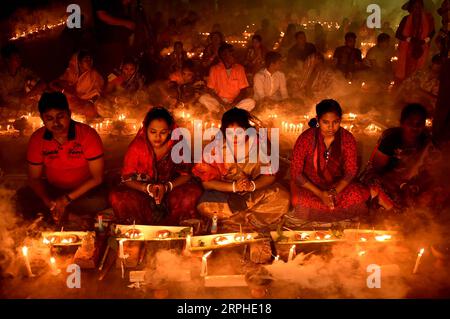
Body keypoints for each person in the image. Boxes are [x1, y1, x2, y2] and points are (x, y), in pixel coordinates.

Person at [16, 92, 107, 226]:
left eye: (60, 117)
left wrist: (66, 200)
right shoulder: (37, 138)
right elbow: (34, 178)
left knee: (100, 201)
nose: (56, 123)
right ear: (42, 119)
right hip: (54, 191)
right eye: (49, 118)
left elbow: (97, 178)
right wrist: (50, 203)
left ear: (69, 114)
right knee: (22, 197)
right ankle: (70, 216)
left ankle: (62, 215)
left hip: (83, 191)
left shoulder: (87, 135)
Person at [192, 108, 290, 230]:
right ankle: (247, 219)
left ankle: (234, 221)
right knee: (205, 207)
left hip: (254, 191)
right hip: (224, 193)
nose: (234, 138)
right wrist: (233, 187)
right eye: (229, 133)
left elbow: (270, 175)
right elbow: (206, 183)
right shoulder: (214, 148)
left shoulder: (260, 144)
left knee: (282, 198)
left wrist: (252, 186)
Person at [109, 107, 202, 225]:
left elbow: (187, 174)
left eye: (163, 132)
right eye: (153, 132)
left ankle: (174, 228)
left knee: (192, 193)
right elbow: (127, 178)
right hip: (142, 189)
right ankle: (138, 229)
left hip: (173, 187)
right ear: (145, 129)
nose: (158, 137)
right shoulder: (137, 147)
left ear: (169, 131)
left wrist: (167, 187)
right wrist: (147, 188)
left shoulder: (178, 144)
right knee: (118, 197)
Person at [290, 99, 370, 222]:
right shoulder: (306, 139)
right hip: (311, 186)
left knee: (356, 195)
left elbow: (350, 171)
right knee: (301, 201)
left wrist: (333, 192)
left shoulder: (347, 139)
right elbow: (296, 172)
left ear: (340, 120)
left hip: (338, 187)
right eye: (325, 122)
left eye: (335, 122)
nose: (331, 127)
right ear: (318, 120)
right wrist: (320, 194)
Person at [360, 103, 442, 211]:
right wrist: (400, 184)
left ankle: (417, 215)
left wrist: (414, 186)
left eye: (419, 123)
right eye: (410, 123)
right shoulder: (391, 139)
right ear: (402, 123)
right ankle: (393, 212)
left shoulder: (427, 143)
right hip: (387, 180)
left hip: (413, 184)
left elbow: (431, 172)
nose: (415, 127)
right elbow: (377, 168)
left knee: (436, 193)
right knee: (375, 185)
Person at [199, 44, 255, 114]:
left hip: (235, 102)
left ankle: (225, 113)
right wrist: (223, 103)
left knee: (251, 102)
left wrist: (233, 104)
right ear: (223, 56)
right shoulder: (214, 69)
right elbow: (210, 90)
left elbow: (243, 90)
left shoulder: (240, 68)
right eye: (231, 54)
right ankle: (225, 112)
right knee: (203, 98)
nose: (234, 56)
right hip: (219, 102)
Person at [50, 50, 104, 121]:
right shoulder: (69, 72)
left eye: (90, 59)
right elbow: (52, 84)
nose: (89, 61)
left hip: (85, 102)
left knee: (90, 110)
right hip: (69, 100)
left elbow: (98, 91)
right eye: (86, 59)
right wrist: (64, 92)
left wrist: (90, 101)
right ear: (79, 63)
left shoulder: (94, 74)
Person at [92, 0, 135, 77]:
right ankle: (111, 87)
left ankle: (118, 87)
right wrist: (125, 23)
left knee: (119, 68)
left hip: (117, 41)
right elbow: (102, 15)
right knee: (112, 71)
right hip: (108, 41)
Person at [395, 0, 435, 82]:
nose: (417, 9)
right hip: (407, 51)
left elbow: (432, 32)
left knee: (419, 72)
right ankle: (405, 88)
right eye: (415, 6)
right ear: (411, 8)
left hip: (422, 50)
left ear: (422, 7)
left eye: (419, 6)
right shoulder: (405, 19)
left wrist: (424, 41)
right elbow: (398, 34)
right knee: (407, 71)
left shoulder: (428, 19)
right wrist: (410, 39)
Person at [0, 44, 45, 117]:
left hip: (23, 103)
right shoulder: (1, 77)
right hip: (7, 107)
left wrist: (30, 94)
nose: (19, 60)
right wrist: (21, 100)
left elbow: (42, 82)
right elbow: (5, 97)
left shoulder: (23, 71)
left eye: (19, 57)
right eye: (16, 58)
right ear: (7, 60)